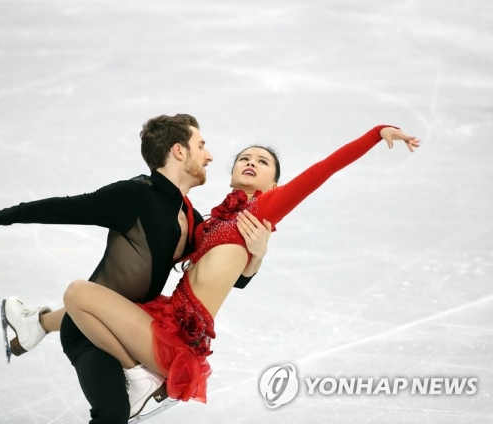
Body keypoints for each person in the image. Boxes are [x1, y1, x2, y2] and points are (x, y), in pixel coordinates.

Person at [0, 114, 272, 423]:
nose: (209, 156)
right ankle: (44, 327)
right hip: (87, 328)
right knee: (112, 413)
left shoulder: (188, 214)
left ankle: (35, 324)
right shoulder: (135, 196)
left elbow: (224, 276)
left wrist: (255, 257)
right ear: (179, 152)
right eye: (201, 146)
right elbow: (62, 209)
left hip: (129, 323)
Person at [58, 125, 420, 405]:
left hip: (174, 340)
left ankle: (137, 376)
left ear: (274, 183)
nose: (251, 162)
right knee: (102, 302)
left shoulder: (264, 210)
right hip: (165, 318)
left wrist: (375, 134)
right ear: (231, 172)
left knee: (79, 293)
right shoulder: (212, 221)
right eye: (245, 158)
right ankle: (38, 323)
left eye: (263, 162)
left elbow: (321, 171)